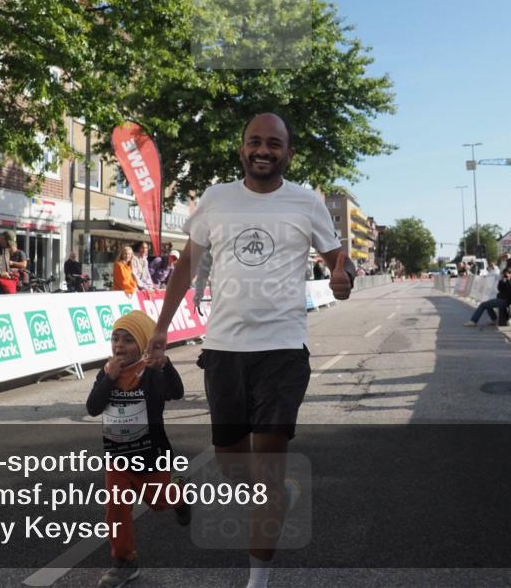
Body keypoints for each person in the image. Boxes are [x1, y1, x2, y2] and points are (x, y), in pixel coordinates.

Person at [144, 113, 354, 588]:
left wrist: (345, 277)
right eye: (255, 142)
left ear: (288, 153)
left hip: (282, 350)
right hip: (223, 350)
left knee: (267, 465)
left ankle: (256, 580)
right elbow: (187, 265)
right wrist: (161, 327)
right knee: (231, 462)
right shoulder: (216, 199)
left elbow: (338, 260)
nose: (263, 149)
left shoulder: (307, 202)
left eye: (274, 143)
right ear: (242, 149)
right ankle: (280, 494)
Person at [85, 310, 190, 588]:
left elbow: (176, 392)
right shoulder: (107, 373)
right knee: (116, 509)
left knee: (159, 503)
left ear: (143, 344)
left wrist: (165, 364)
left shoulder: (152, 373)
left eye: (128, 340)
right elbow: (93, 408)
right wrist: (108, 379)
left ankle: (179, 494)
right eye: (115, 339)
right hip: (117, 459)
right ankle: (124, 562)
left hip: (151, 457)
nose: (119, 346)